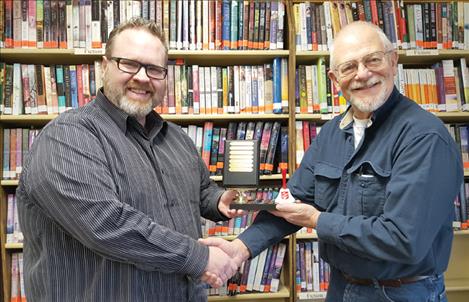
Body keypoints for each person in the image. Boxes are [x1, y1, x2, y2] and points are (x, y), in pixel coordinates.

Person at [201, 21, 463, 302]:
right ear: (335, 79)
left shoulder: (424, 137)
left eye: (373, 60)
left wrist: (318, 220)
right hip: (341, 288)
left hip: (401, 292)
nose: (363, 74)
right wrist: (240, 248)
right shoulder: (331, 133)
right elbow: (295, 201)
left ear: (393, 60)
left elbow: (403, 240)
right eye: (349, 67)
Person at [17, 18, 242, 302]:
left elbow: (199, 191)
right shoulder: (67, 137)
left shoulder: (176, 138)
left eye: (154, 69)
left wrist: (219, 201)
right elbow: (106, 225)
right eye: (129, 64)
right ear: (105, 65)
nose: (142, 77)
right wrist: (200, 258)